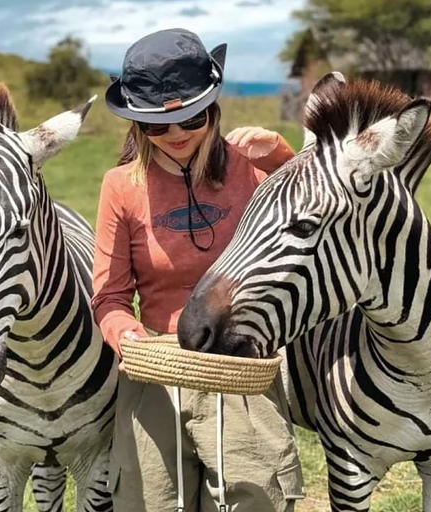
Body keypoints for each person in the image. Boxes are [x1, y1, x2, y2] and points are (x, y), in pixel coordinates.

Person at [92, 28, 305, 512]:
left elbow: (309, 210)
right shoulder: (121, 187)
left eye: (192, 116)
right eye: (156, 126)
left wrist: (279, 155)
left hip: (240, 367)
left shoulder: (251, 166)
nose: (177, 134)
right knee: (151, 503)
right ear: (136, 126)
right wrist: (125, 335)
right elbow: (108, 297)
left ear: (213, 107)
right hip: (155, 369)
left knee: (256, 501)